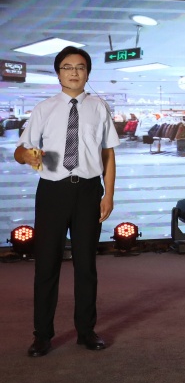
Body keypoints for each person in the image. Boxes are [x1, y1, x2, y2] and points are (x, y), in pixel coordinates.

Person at [14, 46, 119, 357]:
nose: (74, 72)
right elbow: (20, 150)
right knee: (46, 265)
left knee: (86, 266)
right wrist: (27, 156)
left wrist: (108, 194)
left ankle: (86, 331)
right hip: (53, 192)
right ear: (58, 73)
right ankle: (42, 335)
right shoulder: (44, 108)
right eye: (68, 67)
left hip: (88, 192)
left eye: (81, 67)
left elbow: (108, 153)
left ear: (88, 73)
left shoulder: (99, 107)